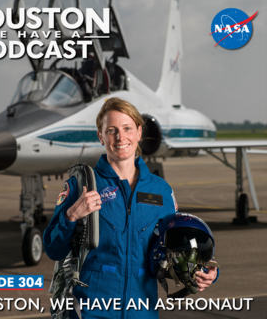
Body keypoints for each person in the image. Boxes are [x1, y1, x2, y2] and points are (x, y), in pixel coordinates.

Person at [43, 97, 218, 319]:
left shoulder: (161, 190)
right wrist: (71, 215)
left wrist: (206, 270)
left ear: (138, 132)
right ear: (100, 136)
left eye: (127, 128)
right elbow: (53, 249)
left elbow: (179, 245)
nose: (120, 137)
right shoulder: (81, 185)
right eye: (111, 130)